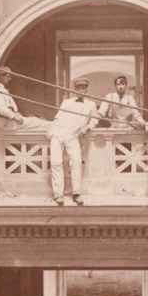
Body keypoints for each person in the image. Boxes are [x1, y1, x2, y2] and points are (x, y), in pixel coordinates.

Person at [47, 77, 99, 206]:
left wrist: (86, 128)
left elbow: (94, 121)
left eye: (83, 87)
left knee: (76, 162)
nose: (81, 90)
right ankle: (58, 194)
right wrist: (53, 131)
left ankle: (76, 193)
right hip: (58, 133)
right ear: (75, 89)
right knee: (56, 162)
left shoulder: (91, 105)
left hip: (73, 136)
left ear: (87, 89)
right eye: (78, 88)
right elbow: (58, 118)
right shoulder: (66, 102)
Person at [0, 66, 50, 131]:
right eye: (8, 77)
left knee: (36, 121)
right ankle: (55, 125)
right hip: (6, 123)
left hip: (9, 122)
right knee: (37, 122)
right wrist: (14, 116)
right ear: (1, 77)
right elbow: (1, 108)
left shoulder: (1, 89)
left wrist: (17, 116)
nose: (10, 79)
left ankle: (54, 125)